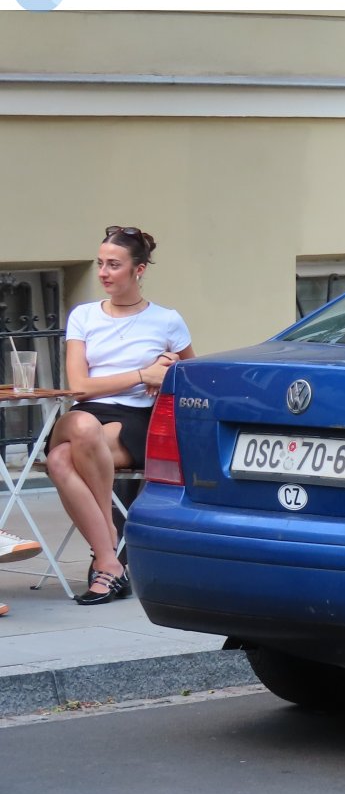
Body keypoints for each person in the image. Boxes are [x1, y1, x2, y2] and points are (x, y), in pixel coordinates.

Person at [47, 225, 194, 605]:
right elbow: (79, 385)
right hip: (88, 410)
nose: (103, 273)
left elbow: (192, 377)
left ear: (139, 270)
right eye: (100, 264)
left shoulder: (166, 320)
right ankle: (112, 550)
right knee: (80, 424)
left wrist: (172, 362)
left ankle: (107, 564)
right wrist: (143, 374)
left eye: (114, 265)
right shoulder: (84, 316)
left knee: (60, 460)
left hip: (136, 419)